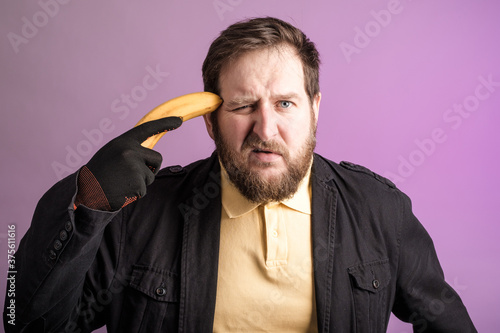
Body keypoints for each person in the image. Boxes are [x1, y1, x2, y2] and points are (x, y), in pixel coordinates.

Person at [4, 17, 476, 333]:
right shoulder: (137, 215)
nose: (265, 128)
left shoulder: (380, 211)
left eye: (285, 103)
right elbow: (23, 321)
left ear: (314, 109)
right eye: (243, 105)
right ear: (210, 120)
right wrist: (85, 201)